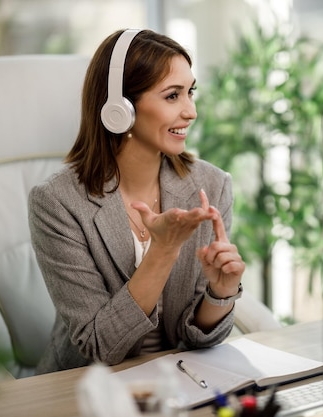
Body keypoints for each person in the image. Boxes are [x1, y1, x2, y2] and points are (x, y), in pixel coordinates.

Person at [28, 28, 246, 374]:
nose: (190, 111)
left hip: (179, 385)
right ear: (120, 109)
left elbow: (198, 340)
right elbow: (99, 348)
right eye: (172, 96)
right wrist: (162, 250)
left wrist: (220, 294)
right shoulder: (57, 203)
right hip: (85, 388)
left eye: (191, 93)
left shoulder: (211, 185)